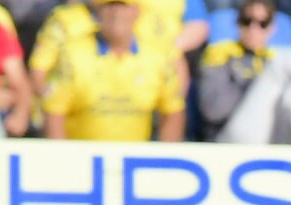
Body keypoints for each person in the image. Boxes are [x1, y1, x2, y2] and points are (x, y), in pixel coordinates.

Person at [195, 0, 291, 145]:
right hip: (229, 138)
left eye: (263, 23)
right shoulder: (220, 55)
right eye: (247, 21)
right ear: (237, 23)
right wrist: (252, 86)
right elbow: (213, 111)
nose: (254, 29)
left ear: (271, 27)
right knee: (282, 63)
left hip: (269, 135)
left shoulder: (271, 58)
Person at [39, 0, 185, 141]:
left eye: (123, 6)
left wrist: (164, 156)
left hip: (134, 157)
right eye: (109, 6)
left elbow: (173, 109)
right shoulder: (73, 54)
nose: (116, 13)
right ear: (98, 12)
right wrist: (63, 155)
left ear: (136, 12)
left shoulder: (156, 56)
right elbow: (54, 110)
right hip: (82, 157)